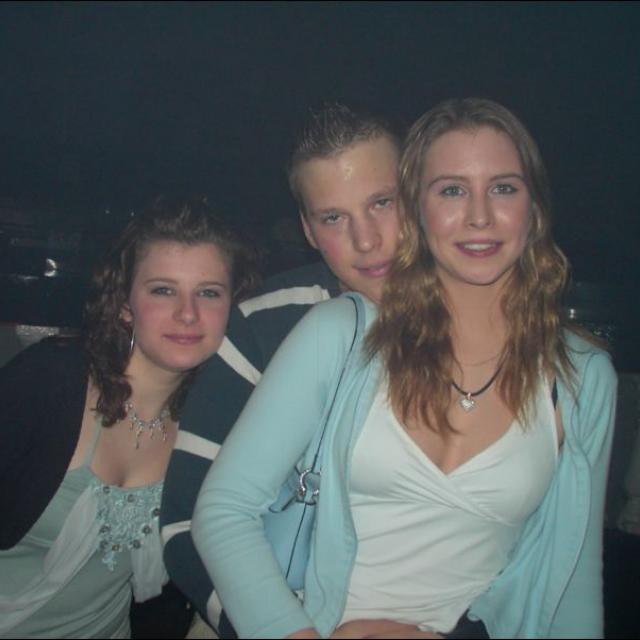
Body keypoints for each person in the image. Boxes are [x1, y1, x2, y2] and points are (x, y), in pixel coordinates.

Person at [191, 98, 618, 639]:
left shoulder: (582, 378)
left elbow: (571, 589)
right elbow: (223, 510)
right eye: (452, 190)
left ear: (534, 207)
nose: (479, 216)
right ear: (419, 209)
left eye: (504, 188)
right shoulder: (338, 332)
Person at [160, 103, 401, 637]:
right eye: (334, 218)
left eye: (382, 203)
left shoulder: (475, 332)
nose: (366, 240)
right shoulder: (263, 326)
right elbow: (184, 520)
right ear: (308, 230)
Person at [0, 195, 257, 639]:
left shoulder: (218, 423)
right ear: (124, 303)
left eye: (209, 293)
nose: (188, 313)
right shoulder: (50, 381)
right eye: (163, 290)